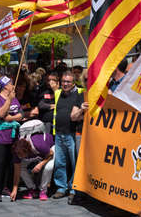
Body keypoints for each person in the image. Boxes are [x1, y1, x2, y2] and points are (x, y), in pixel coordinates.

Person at [52, 71, 88, 204]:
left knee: (74, 164)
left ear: (73, 83)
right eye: (63, 81)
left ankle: (73, 189)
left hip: (72, 133)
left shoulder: (79, 94)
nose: (65, 84)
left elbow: (78, 115)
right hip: (59, 133)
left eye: (68, 82)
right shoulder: (59, 93)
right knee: (59, 163)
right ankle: (61, 188)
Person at [0, 76, 24, 202]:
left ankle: (5, 187)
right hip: (0, 136)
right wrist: (9, 100)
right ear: (5, 86)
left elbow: (21, 115)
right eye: (11, 83)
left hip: (12, 136)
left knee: (9, 162)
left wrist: (10, 118)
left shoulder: (15, 99)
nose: (13, 84)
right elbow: (1, 114)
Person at [10, 132, 54, 201]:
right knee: (21, 168)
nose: (19, 157)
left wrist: (41, 164)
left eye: (21, 155)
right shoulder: (17, 151)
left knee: (49, 167)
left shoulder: (39, 145)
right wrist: (14, 189)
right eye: (18, 155)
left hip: (49, 150)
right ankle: (32, 188)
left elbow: (51, 154)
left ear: (27, 151)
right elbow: (17, 171)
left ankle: (43, 190)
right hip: (36, 154)